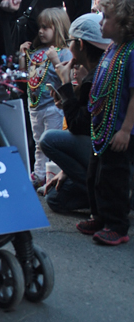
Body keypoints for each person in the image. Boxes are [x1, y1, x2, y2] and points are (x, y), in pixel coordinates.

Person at [76, 0, 134, 246]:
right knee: (95, 176)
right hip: (103, 127)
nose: (101, 22)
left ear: (124, 23)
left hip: (119, 130)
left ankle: (117, 225)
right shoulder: (113, 49)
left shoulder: (131, 54)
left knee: (114, 179)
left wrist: (126, 130)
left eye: (106, 17)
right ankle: (100, 216)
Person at [39, 14, 109, 213]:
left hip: (105, 153)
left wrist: (66, 84)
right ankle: (96, 191)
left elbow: (80, 126)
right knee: (55, 200)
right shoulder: (93, 71)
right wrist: (66, 171)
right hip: (94, 150)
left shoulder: (97, 76)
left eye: (70, 42)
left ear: (80, 44)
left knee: (49, 139)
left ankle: (102, 193)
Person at [19, 7, 72, 188]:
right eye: (40, 27)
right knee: (38, 141)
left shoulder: (63, 52)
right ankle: (39, 173)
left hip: (53, 106)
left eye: (46, 27)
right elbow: (24, 74)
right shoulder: (35, 53)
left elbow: (67, 78)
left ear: (57, 28)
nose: (41, 31)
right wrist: (22, 55)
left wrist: (56, 60)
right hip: (35, 105)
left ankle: (51, 174)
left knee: (50, 142)